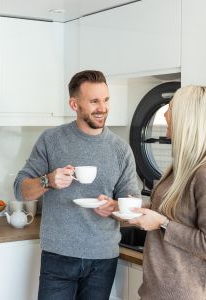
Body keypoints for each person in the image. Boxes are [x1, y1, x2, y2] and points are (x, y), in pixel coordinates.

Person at [14, 70, 140, 300]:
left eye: (106, 100)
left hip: (102, 258)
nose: (102, 108)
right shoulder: (51, 140)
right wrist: (48, 181)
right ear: (74, 104)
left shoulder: (121, 150)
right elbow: (20, 189)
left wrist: (114, 207)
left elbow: (131, 208)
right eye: (94, 101)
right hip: (58, 255)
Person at [128, 85, 206, 300]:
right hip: (155, 290)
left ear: (186, 117)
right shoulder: (177, 168)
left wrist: (162, 222)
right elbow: (174, 213)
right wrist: (137, 209)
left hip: (182, 294)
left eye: (170, 108)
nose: (164, 113)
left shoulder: (203, 173)